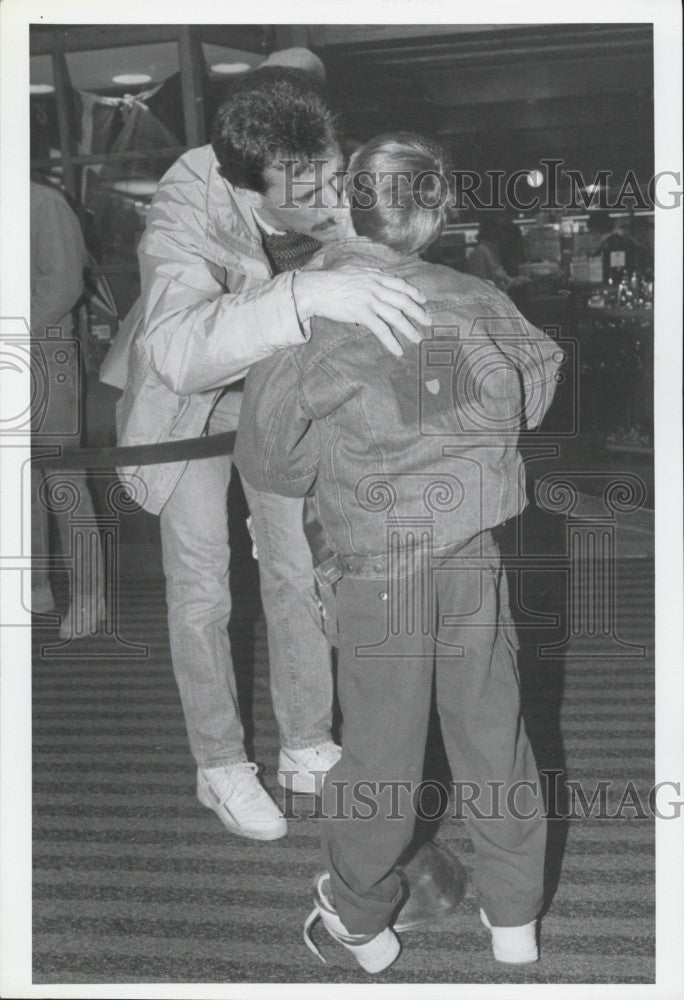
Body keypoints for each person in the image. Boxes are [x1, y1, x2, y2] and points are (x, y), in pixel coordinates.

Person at [235, 132, 563, 970]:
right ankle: (514, 919)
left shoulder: (317, 304)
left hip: (381, 567)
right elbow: (533, 384)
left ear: (347, 200)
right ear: (439, 212)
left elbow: (272, 453)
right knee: (494, 730)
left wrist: (337, 464)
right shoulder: (469, 293)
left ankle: (360, 918)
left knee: (381, 749)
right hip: (470, 557)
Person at [100, 69, 430, 842]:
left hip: (272, 394)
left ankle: (306, 745)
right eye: (306, 191)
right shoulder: (188, 200)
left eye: (331, 174)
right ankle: (218, 764)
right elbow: (177, 349)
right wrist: (300, 298)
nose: (328, 201)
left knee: (295, 568)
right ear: (250, 192)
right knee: (203, 586)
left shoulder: (316, 172)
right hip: (186, 400)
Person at [30, 177, 106, 636]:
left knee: (63, 481)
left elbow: (62, 285)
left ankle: (89, 597)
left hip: (45, 354)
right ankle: (35, 587)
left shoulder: (43, 203)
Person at [464, 212, 530, 293]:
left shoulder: (493, 251)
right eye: (500, 228)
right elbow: (480, 288)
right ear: (489, 230)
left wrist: (516, 281)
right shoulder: (479, 253)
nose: (503, 232)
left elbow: (501, 280)